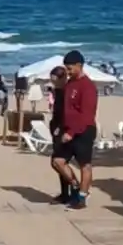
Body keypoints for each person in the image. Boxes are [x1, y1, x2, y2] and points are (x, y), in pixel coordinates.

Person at [53, 49, 98, 209]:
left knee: (84, 165)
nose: (68, 71)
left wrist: (72, 133)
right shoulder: (70, 84)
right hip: (67, 130)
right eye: (66, 68)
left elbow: (86, 115)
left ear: (79, 65)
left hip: (84, 130)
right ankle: (75, 185)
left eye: (70, 68)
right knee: (57, 161)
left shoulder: (88, 87)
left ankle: (82, 197)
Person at [48, 65, 69, 203]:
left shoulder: (66, 91)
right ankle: (64, 193)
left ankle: (74, 187)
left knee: (58, 161)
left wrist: (60, 128)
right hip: (56, 127)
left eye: (55, 79)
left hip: (62, 129)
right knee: (57, 161)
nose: (53, 82)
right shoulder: (58, 90)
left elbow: (66, 113)